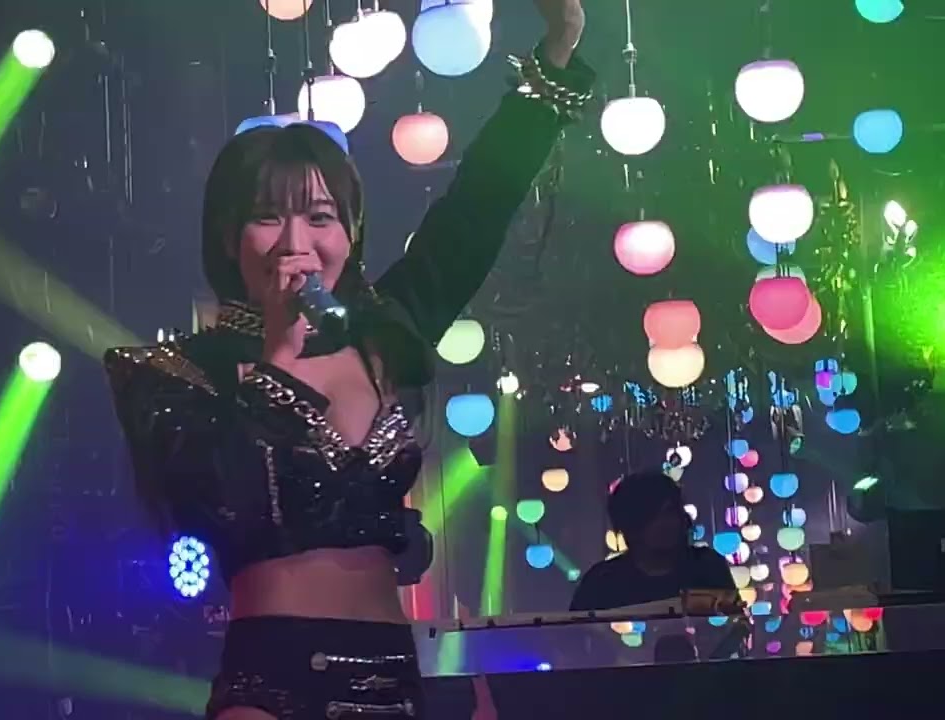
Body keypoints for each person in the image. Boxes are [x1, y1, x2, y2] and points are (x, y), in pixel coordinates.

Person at [104, 2, 592, 718]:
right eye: (268, 217)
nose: (295, 242)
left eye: (320, 217)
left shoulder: (384, 333)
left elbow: (478, 207)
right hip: (272, 680)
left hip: (392, 676)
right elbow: (220, 505)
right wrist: (278, 345)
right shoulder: (182, 374)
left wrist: (558, 50)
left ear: (350, 232)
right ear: (230, 237)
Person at [570, 470, 737, 612]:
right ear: (629, 525)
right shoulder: (602, 582)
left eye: (670, 512)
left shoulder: (707, 566)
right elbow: (575, 633)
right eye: (652, 516)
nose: (664, 523)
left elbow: (735, 627)